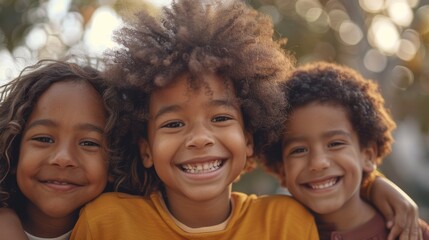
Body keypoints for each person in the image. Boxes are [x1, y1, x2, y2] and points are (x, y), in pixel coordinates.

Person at [71, 0, 320, 239]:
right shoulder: (106, 223)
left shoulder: (287, 224)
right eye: (174, 124)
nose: (200, 139)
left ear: (248, 140)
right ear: (146, 149)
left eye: (221, 118)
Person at [261, 61, 429, 240]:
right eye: (299, 150)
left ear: (367, 155)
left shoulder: (412, 234)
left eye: (335, 144)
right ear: (282, 169)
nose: (318, 163)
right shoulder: (271, 231)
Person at [0, 59, 129, 240]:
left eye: (88, 143)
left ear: (115, 160)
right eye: (43, 139)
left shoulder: (133, 229)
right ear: (14, 152)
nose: (63, 158)